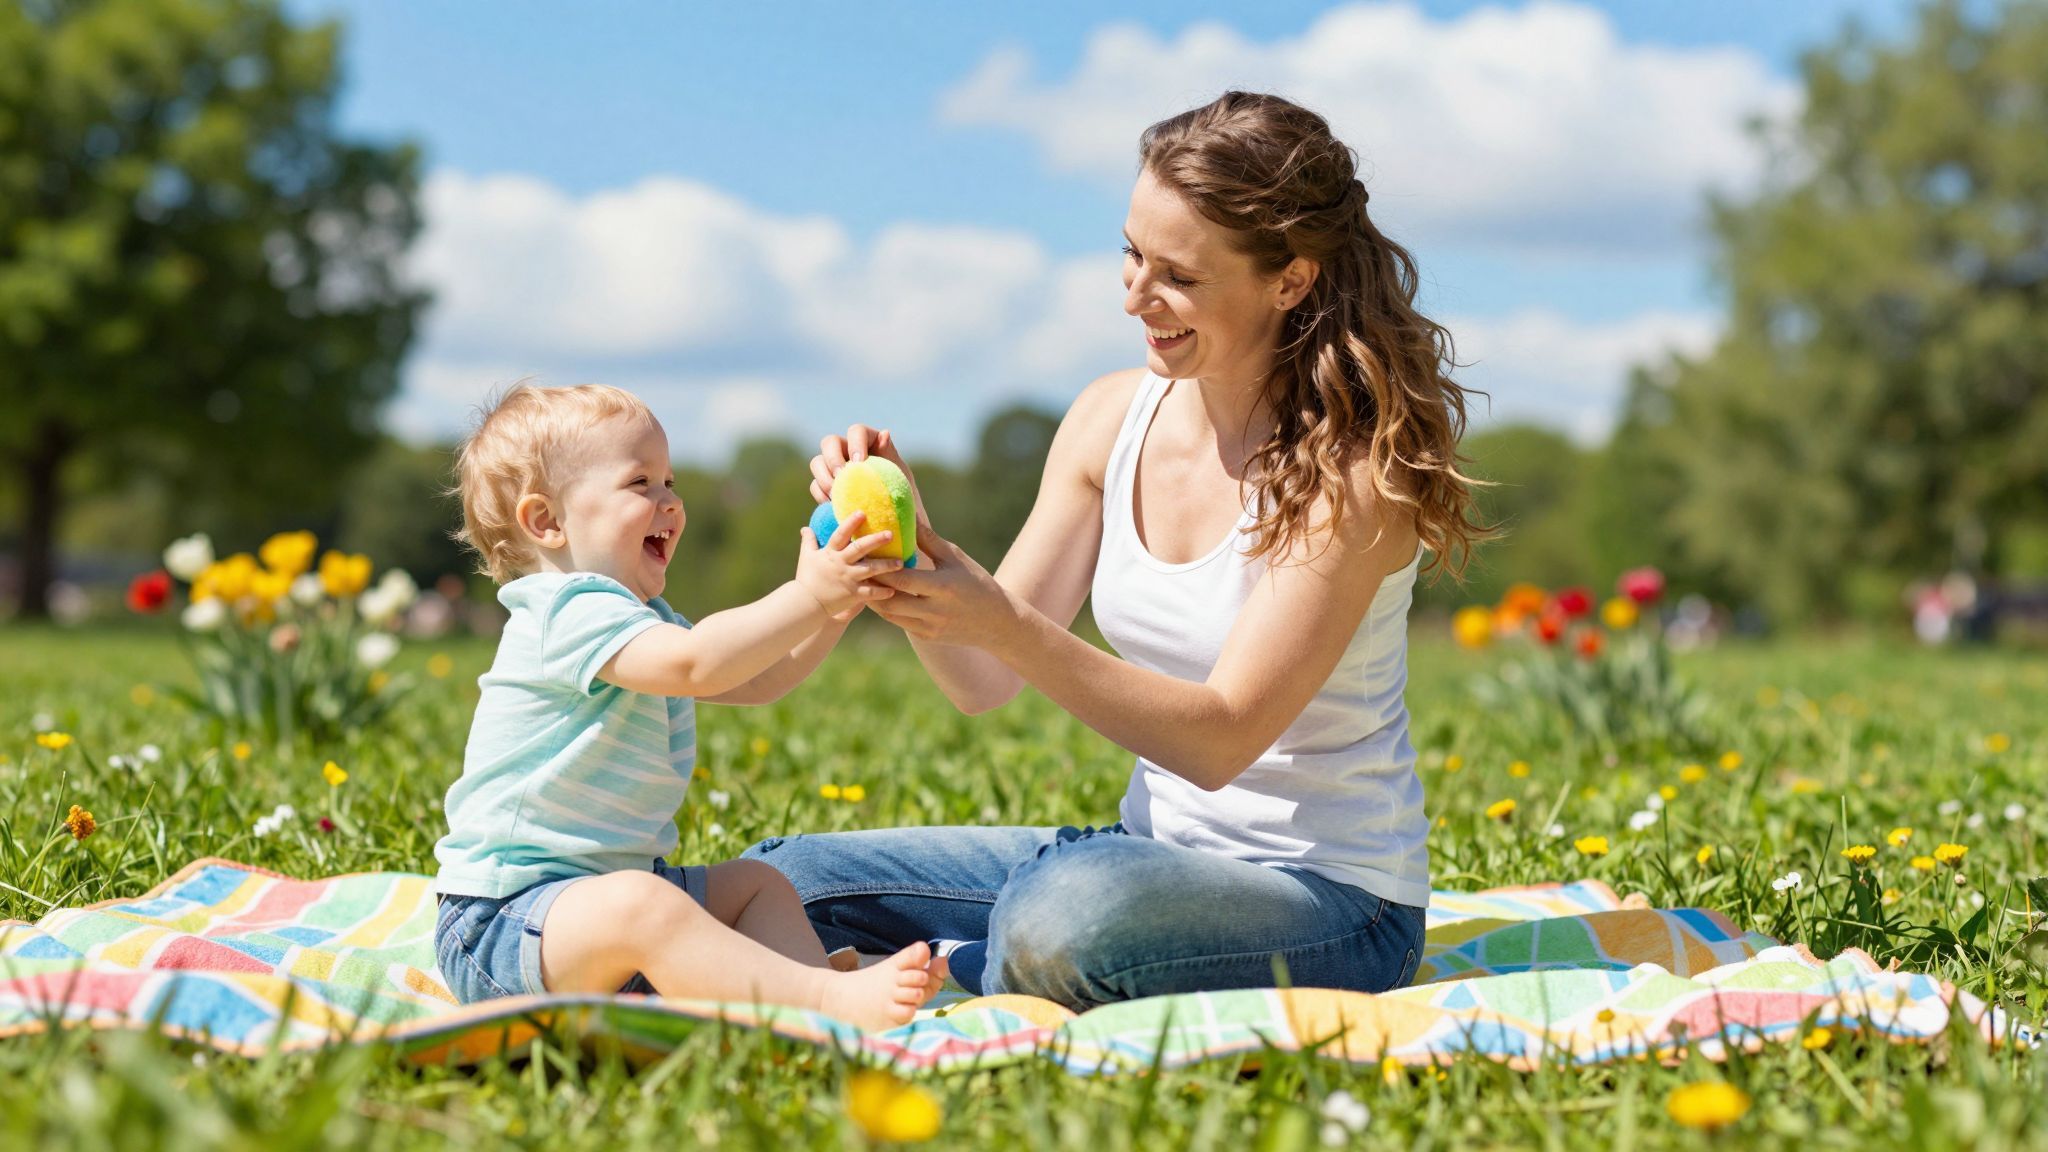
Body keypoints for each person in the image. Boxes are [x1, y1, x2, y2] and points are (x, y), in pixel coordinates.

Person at [746, 92, 1486, 1011]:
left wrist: (1005, 624)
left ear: (1291, 281)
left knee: (1064, 917)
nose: (1135, 295)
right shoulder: (1109, 418)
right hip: (1146, 862)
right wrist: (908, 552)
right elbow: (980, 678)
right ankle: (916, 967)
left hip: (1332, 905)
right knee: (782, 879)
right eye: (1132, 254)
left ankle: (916, 978)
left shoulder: (1351, 476)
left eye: (1179, 275)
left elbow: (1221, 738)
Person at [431, 383, 938, 1030]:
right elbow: (699, 662)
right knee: (646, 904)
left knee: (758, 885)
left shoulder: (645, 620)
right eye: (639, 483)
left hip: (601, 908)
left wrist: (833, 607)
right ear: (547, 522)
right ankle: (824, 1000)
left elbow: (759, 678)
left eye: (669, 481)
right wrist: (808, 595)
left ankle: (800, 984)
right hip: (503, 925)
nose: (670, 501)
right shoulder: (565, 611)